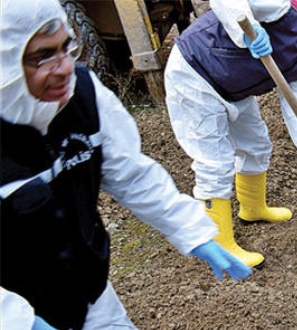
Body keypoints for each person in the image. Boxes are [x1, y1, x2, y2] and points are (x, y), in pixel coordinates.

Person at [0, 0, 252, 329]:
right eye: (42, 56)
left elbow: (132, 176)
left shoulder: (84, 96)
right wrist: (19, 322)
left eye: (66, 48)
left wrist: (194, 232)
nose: (63, 67)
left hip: (91, 295)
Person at [164, 0, 297, 267]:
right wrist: (251, 27)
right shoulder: (288, 8)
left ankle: (253, 208)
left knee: (256, 145)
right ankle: (219, 244)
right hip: (196, 71)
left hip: (234, 87)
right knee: (215, 162)